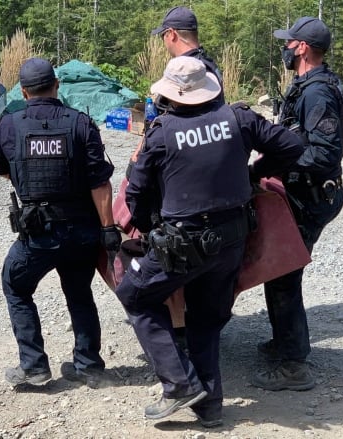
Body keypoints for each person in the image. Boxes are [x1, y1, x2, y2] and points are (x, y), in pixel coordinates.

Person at [115, 56, 304, 427]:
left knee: (134, 295)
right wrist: (253, 172)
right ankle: (210, 408)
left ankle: (179, 383)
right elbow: (291, 147)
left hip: (182, 242)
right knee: (206, 320)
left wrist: (150, 227)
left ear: (172, 95)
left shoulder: (161, 131)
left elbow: (136, 194)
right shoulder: (239, 119)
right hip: (232, 239)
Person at [0, 58, 120, 388]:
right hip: (82, 231)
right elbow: (99, 182)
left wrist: (24, 176)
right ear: (56, 85)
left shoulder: (10, 125)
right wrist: (108, 228)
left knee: (16, 285)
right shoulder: (81, 123)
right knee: (79, 292)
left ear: (24, 91)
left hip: (39, 234)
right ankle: (88, 365)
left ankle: (34, 367)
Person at [252, 17, 343, 391]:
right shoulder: (307, 85)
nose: (286, 48)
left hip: (309, 196)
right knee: (278, 272)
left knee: (283, 275)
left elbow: (323, 154)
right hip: (302, 191)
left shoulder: (317, 92)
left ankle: (294, 364)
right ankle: (284, 343)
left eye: (289, 43)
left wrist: (275, 160)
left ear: (303, 47)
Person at [151, 6, 224, 102]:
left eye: (163, 35)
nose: (163, 41)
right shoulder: (207, 62)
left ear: (172, 34)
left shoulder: (189, 71)